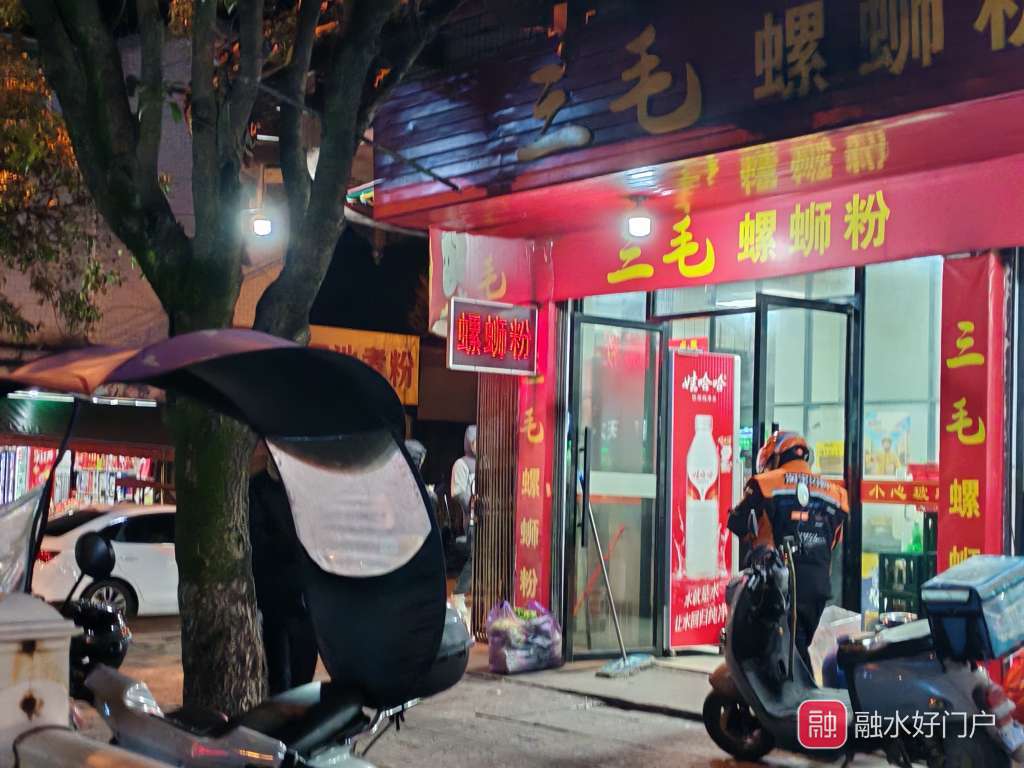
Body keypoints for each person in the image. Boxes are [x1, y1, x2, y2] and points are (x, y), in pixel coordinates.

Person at [727, 430, 848, 674]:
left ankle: (795, 696)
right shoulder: (836, 494)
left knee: (784, 653)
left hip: (777, 587)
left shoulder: (764, 484)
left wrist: (759, 539)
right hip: (817, 588)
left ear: (776, 456)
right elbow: (834, 540)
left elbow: (737, 521)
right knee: (797, 648)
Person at [249, 441, 318, 695]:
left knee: (303, 674)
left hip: (307, 599)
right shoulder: (257, 488)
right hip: (275, 599)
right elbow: (258, 543)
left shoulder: (307, 491)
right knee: (279, 676)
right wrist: (296, 544)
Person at [450, 426, 477, 626]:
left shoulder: (485, 462)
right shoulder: (461, 464)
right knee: (477, 554)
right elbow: (457, 491)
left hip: (486, 516)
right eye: (475, 441)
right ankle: (458, 593)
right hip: (472, 519)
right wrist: (472, 502)